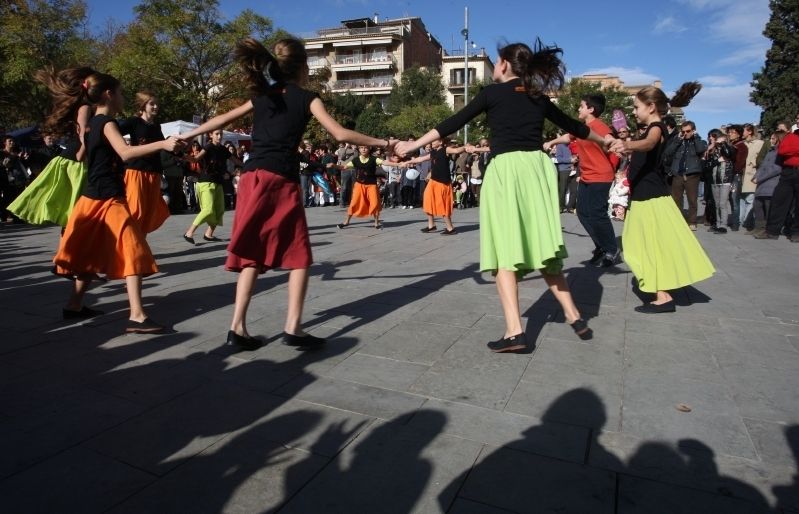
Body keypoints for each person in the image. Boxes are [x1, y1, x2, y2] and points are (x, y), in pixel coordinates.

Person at [177, 37, 395, 350]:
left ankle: (237, 327)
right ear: (302, 68)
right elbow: (339, 133)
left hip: (252, 176)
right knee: (299, 253)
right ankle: (293, 327)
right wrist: (384, 143)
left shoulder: (263, 96)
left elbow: (221, 120)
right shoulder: (307, 97)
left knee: (252, 251)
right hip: (279, 177)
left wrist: (189, 135)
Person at [396, 40, 611, 351]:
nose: (495, 67)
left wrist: (412, 145)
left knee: (504, 251)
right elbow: (575, 127)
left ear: (506, 65)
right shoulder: (538, 96)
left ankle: (515, 332)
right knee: (542, 243)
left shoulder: (491, 93)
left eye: (497, 62)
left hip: (507, 170)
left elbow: (451, 123)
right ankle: (573, 314)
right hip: (536, 169)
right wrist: (606, 141)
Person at [49, 70, 181, 332]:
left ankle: (74, 305)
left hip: (92, 198)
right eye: (120, 93)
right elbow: (125, 152)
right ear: (109, 94)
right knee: (134, 248)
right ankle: (137, 316)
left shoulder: (95, 123)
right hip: (108, 198)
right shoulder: (106, 123)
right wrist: (163, 145)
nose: (123, 98)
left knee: (89, 254)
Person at [608, 83, 715, 313]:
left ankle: (663, 296)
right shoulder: (649, 127)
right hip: (646, 196)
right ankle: (662, 289)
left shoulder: (656, 127)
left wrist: (627, 144)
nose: (634, 112)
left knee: (645, 246)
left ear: (651, 106)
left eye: (636, 107)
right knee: (645, 244)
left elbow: (649, 143)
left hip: (650, 197)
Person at [7, 68, 94, 227]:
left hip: (70, 159)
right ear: (86, 84)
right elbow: (83, 130)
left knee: (72, 212)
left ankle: (71, 246)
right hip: (76, 161)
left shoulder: (78, 105)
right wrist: (83, 153)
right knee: (75, 211)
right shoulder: (85, 106)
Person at [545, 93, 620, 267]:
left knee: (597, 214)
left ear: (591, 109)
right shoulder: (581, 127)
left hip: (601, 176)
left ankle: (611, 249)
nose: (578, 109)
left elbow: (609, 137)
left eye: (581, 106)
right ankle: (601, 246)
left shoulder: (600, 127)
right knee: (583, 213)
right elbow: (567, 137)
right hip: (586, 175)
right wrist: (551, 142)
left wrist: (613, 142)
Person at [119, 91, 170, 235]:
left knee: (149, 213)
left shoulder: (156, 126)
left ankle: (140, 246)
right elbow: (113, 131)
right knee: (136, 210)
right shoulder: (134, 122)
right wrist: (124, 146)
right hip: (137, 171)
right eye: (152, 104)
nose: (155, 107)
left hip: (154, 172)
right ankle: (128, 245)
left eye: (156, 104)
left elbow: (163, 146)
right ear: (143, 105)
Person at [182, 129, 241, 244]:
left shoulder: (223, 149)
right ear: (211, 135)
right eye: (217, 134)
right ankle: (189, 232)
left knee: (220, 210)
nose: (219, 136)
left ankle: (208, 234)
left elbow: (236, 161)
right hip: (205, 182)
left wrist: (253, 164)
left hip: (218, 183)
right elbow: (195, 159)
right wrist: (181, 154)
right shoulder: (208, 147)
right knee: (208, 209)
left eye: (221, 134)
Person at [404, 139, 467, 234]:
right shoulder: (433, 152)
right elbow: (421, 159)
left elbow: (457, 151)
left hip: (443, 182)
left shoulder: (445, 150)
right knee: (427, 200)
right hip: (433, 181)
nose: (431, 143)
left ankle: (450, 228)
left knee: (442, 204)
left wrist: (466, 147)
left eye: (434, 141)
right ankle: (431, 225)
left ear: (441, 142)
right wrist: (406, 162)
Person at [756, 125, 799, 241]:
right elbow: (782, 150)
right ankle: (772, 231)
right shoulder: (790, 136)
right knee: (778, 200)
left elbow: (788, 150)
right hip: (788, 171)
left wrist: (793, 150)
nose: (798, 119)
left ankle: (796, 233)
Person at [662, 120, 707, 230]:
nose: (685, 133)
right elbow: (667, 153)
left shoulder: (699, 141)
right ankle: (677, 219)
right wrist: (678, 140)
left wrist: (695, 137)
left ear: (693, 131)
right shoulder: (678, 141)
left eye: (688, 131)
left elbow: (701, 149)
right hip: (678, 173)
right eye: (683, 131)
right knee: (676, 198)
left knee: (692, 200)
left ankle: (692, 221)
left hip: (692, 174)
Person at [337, 145, 386, 230]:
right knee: (354, 203)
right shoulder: (355, 160)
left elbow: (385, 163)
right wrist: (334, 165)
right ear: (359, 149)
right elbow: (344, 167)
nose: (363, 149)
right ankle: (346, 222)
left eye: (366, 147)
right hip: (359, 185)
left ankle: (376, 223)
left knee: (374, 203)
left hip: (372, 185)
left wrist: (398, 163)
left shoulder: (374, 159)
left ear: (369, 148)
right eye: (361, 147)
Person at [750, 131, 786, 237]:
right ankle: (758, 227)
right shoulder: (770, 151)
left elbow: (776, 169)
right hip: (762, 183)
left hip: (772, 184)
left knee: (768, 206)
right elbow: (762, 166)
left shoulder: (780, 152)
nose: (770, 141)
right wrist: (756, 176)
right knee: (758, 205)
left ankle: (767, 229)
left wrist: (760, 177)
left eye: (773, 139)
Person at [742, 123, 764, 232]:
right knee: (742, 198)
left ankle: (748, 222)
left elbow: (761, 157)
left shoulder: (759, 143)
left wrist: (754, 164)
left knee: (750, 198)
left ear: (750, 131)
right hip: (742, 174)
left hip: (752, 174)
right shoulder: (742, 144)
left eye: (744, 130)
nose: (742, 132)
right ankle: (743, 221)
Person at [726, 124, 748, 231]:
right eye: (729, 132)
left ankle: (735, 224)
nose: (730, 134)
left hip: (735, 176)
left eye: (732, 132)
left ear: (738, 134)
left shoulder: (741, 146)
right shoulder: (731, 145)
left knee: (735, 200)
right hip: (729, 175)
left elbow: (739, 164)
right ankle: (733, 220)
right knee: (730, 199)